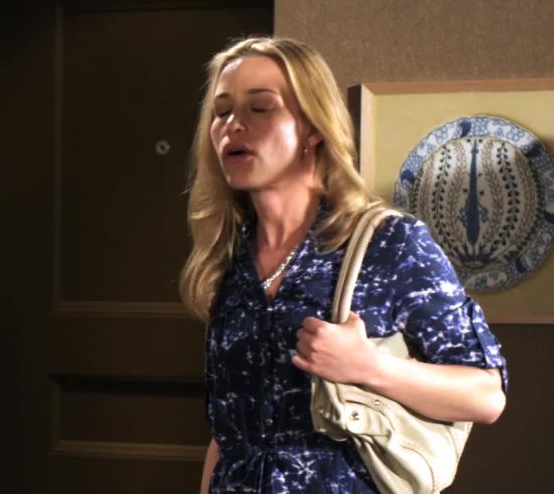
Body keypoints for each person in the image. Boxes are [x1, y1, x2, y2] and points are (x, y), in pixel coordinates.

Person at [179, 37, 508, 493]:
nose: (233, 124)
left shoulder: (389, 243)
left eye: (260, 108)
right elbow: (226, 435)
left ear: (313, 127)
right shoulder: (228, 259)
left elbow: (486, 396)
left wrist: (369, 366)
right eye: (221, 111)